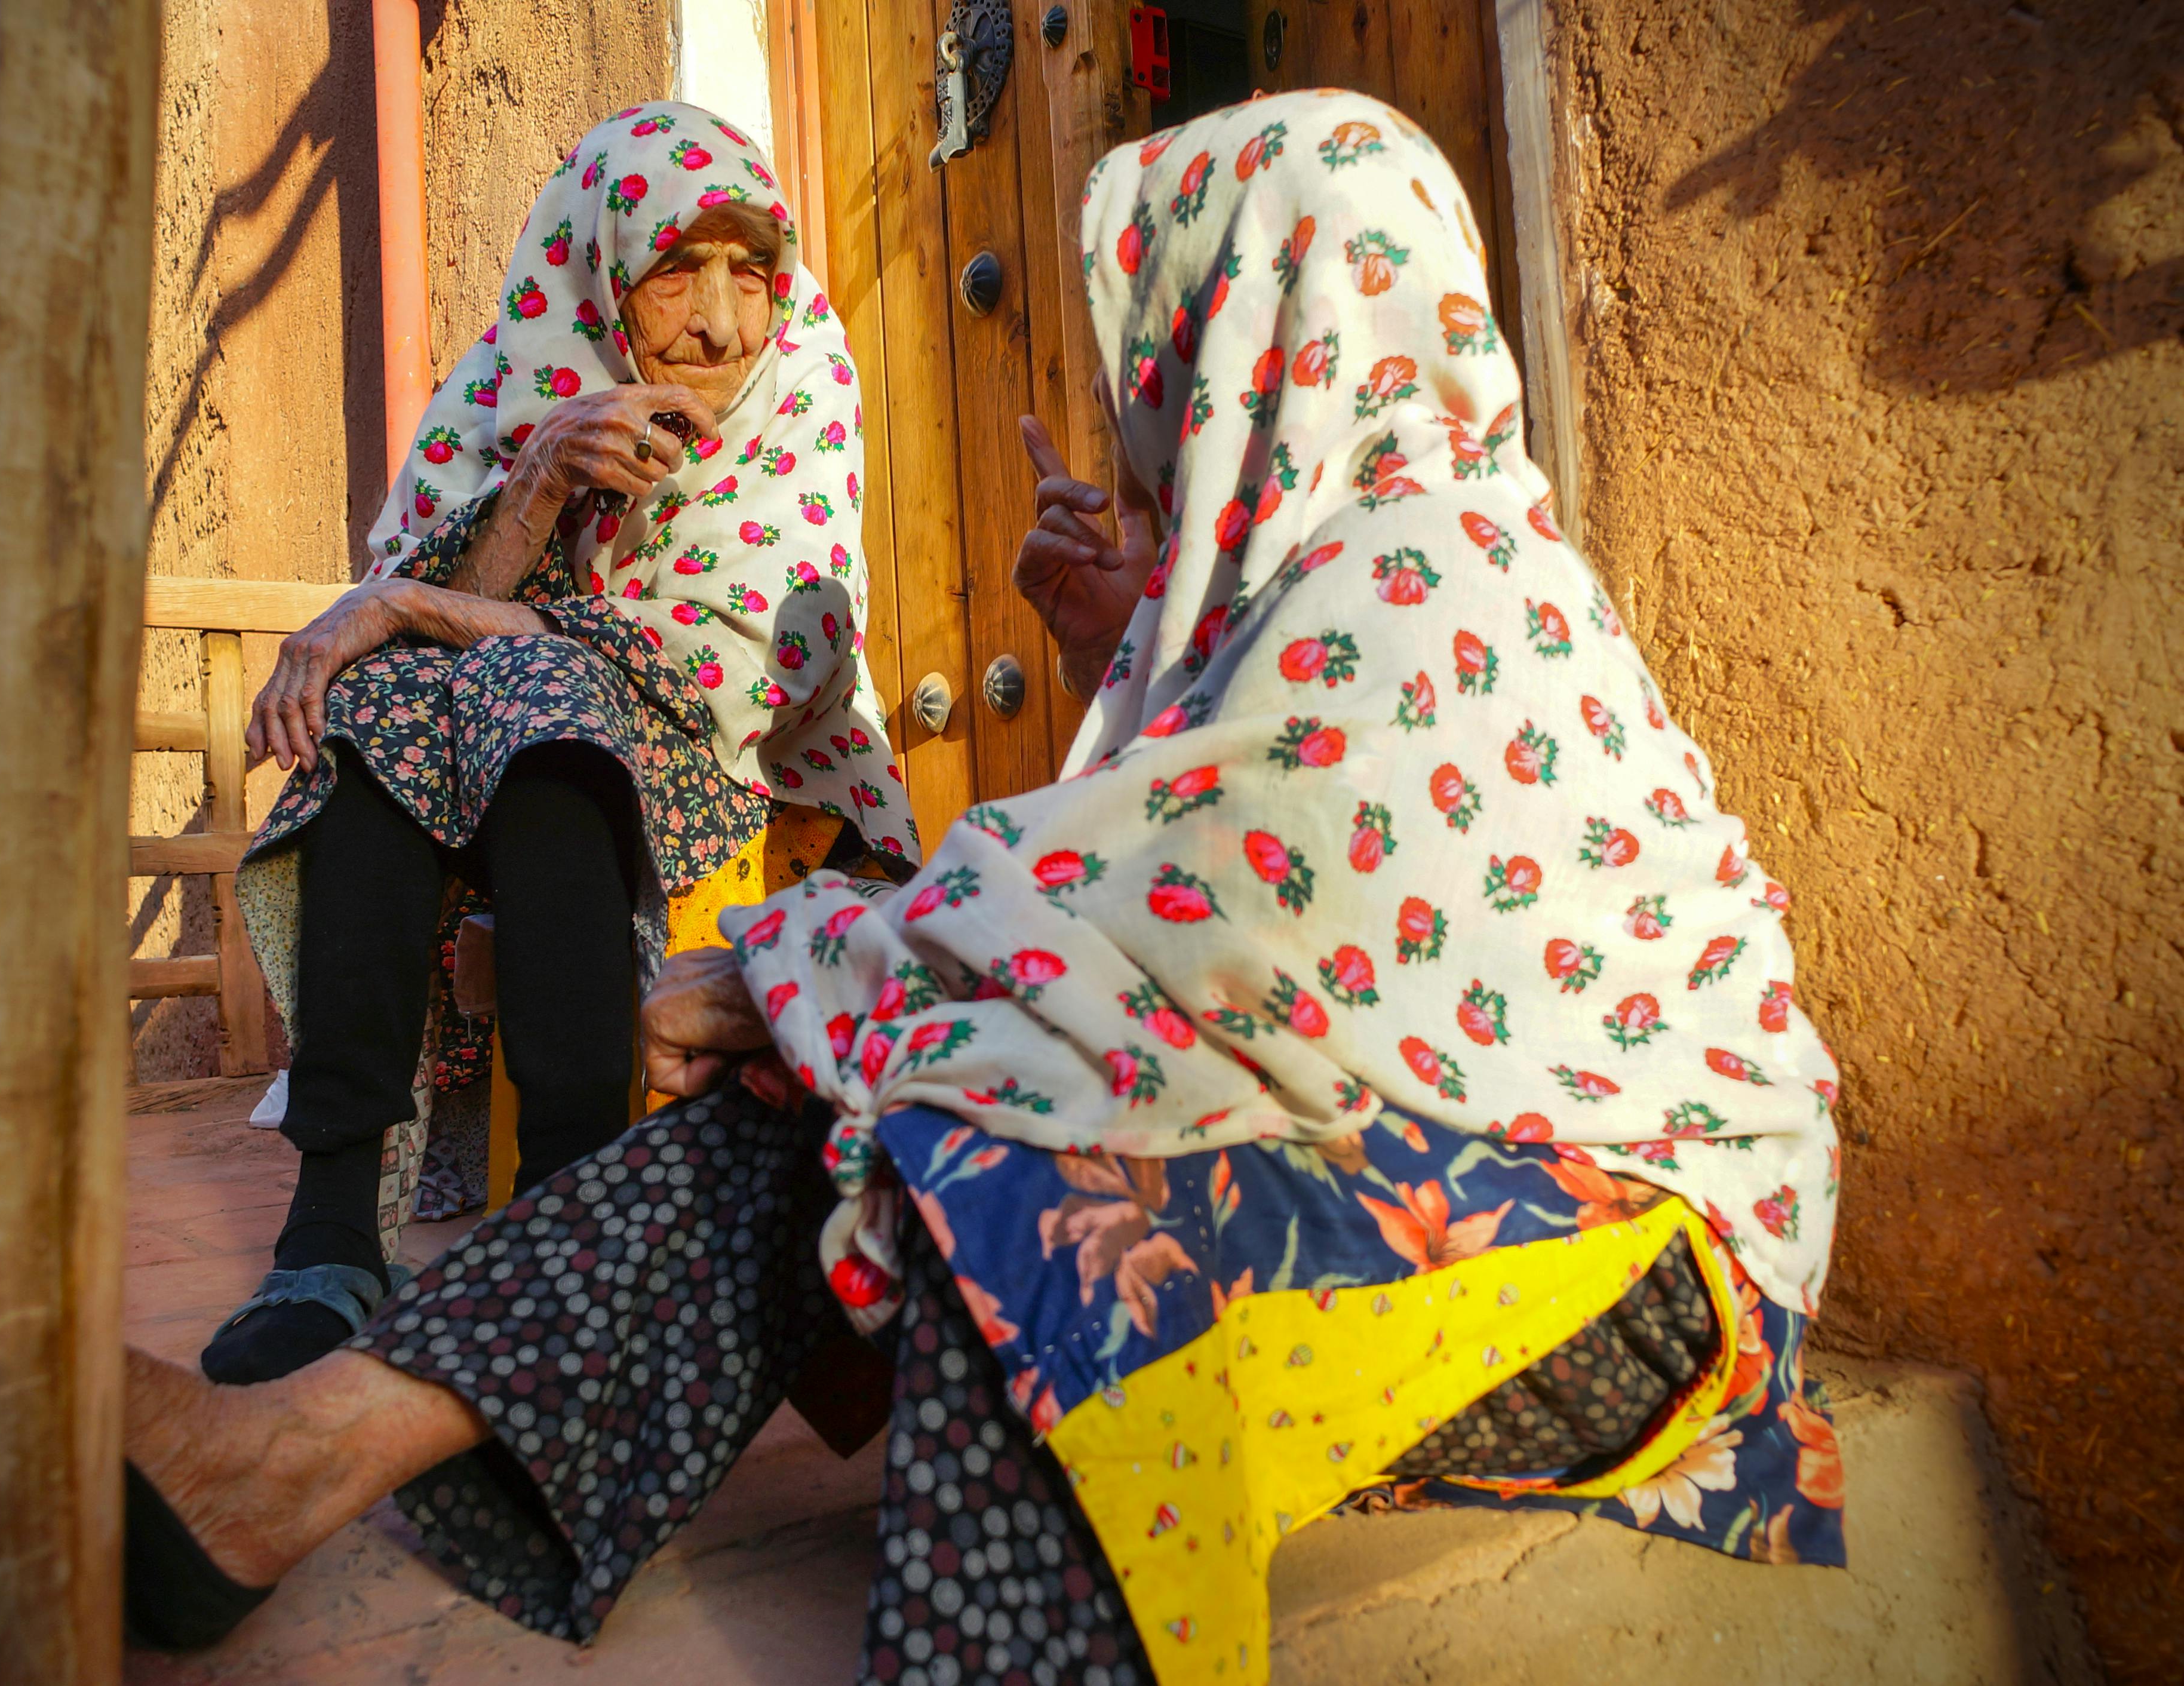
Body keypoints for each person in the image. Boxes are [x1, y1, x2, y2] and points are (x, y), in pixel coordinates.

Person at [128, 91, 1848, 1684]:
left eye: (1168, 332)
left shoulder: (1436, 568)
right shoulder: (1307, 575)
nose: (1144, 390)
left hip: (1633, 1274)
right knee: (895, 1100)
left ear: (1269, 326)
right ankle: (281, 1458)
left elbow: (1206, 938)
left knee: (1016, 1193)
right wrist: (1119, 649)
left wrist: (810, 970)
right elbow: (1183, 906)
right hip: (1409, 1158)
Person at [204, 103, 916, 1386]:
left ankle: (566, 1214)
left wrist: (417, 605)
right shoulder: (511, 383)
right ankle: (328, 1234)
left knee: (517, 673)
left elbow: (740, 671)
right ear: (596, 268)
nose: (721, 322)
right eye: (676, 273)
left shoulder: (801, 381)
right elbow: (421, 627)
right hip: (504, 742)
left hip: (725, 747)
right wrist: (535, 482)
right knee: (388, 701)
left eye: (750, 276)